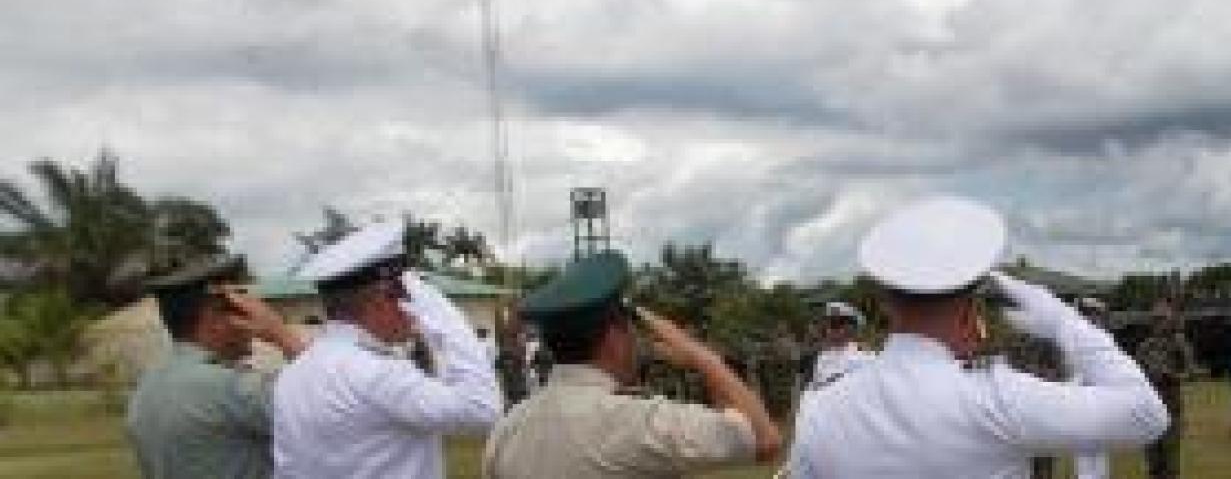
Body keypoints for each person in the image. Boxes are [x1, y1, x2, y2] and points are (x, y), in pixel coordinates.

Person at [785, 197, 1168, 477]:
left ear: (885, 304)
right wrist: (1063, 320)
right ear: (971, 311)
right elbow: (1145, 414)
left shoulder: (821, 409)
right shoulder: (997, 397)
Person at [483, 251, 780, 477]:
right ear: (614, 337)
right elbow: (763, 439)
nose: (638, 343)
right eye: (632, 332)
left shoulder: (508, 429)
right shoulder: (638, 421)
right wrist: (699, 354)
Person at [271, 222, 502, 478]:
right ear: (385, 299)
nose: (414, 314)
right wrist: (446, 316)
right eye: (410, 297)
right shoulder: (376, 373)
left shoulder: (293, 374)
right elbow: (483, 409)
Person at [126, 256, 307, 479]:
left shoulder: (147, 387)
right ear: (213, 317)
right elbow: (324, 410)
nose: (251, 323)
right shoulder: (231, 387)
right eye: (242, 311)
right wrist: (283, 335)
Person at [1133, 299, 1195, 479]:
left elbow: (1192, 372)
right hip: (1149, 408)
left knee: (1170, 461)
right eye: (1155, 319)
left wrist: (1172, 376)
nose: (1158, 323)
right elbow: (1136, 375)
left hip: (1171, 407)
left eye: (1162, 319)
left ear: (1170, 320)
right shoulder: (1144, 346)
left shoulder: (1179, 344)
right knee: (1153, 461)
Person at [1072, 297, 1113, 479]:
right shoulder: (1073, 338)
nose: (1093, 319)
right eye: (1089, 315)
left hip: (1101, 401)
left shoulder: (1105, 340)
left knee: (1101, 453)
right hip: (1081, 401)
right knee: (1085, 455)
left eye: (1095, 316)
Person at [807, 301, 874, 392]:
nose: (832, 330)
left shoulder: (865, 358)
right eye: (830, 324)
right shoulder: (823, 359)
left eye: (838, 324)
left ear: (851, 327)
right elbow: (814, 390)